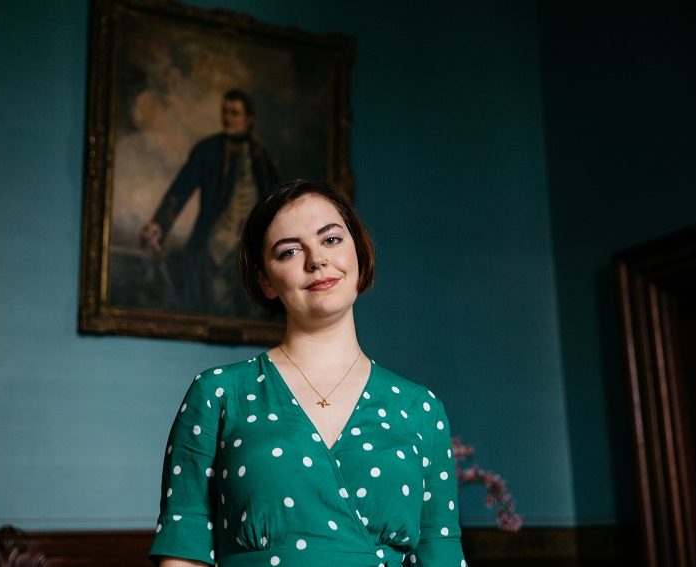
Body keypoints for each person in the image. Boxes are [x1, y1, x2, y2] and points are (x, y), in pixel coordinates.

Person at [149, 180, 466, 566]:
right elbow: (184, 552)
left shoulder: (421, 408)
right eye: (289, 251)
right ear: (265, 279)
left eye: (331, 240)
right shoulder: (218, 393)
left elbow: (440, 553)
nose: (316, 260)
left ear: (359, 253)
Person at [140, 89, 280, 317]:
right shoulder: (208, 151)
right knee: (217, 307)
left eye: (234, 113)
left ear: (249, 119)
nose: (227, 118)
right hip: (216, 246)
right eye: (225, 112)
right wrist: (159, 224)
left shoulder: (263, 160)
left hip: (251, 250)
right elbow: (180, 189)